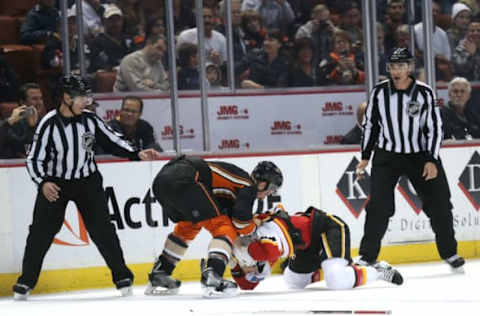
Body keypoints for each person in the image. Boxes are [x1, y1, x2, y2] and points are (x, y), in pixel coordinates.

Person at [12, 75, 162, 300]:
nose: (87, 101)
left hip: (87, 181)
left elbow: (113, 139)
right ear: (66, 98)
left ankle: (122, 276)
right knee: (40, 234)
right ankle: (26, 281)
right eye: (82, 97)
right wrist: (43, 182)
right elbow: (34, 159)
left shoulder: (90, 120)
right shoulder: (49, 123)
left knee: (103, 230)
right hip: (56, 184)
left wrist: (135, 153)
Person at [355, 48, 465, 271]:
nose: (396, 71)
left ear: (409, 68)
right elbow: (371, 125)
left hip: (420, 155)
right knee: (379, 206)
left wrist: (431, 159)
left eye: (401, 66)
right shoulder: (378, 93)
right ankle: (367, 256)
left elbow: (435, 128)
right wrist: (365, 156)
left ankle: (450, 253)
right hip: (387, 156)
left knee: (440, 203)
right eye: (393, 66)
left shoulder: (424, 93)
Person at [146, 157, 282, 297]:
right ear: (262, 183)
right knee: (224, 228)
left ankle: (161, 272)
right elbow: (241, 223)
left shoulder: (237, 184)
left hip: (162, 181)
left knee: (189, 225)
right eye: (271, 188)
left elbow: (230, 214)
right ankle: (213, 275)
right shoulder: (248, 186)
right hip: (186, 178)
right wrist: (255, 225)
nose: (269, 194)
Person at [230, 205, 403, 291]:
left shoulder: (264, 229)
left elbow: (271, 251)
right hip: (306, 247)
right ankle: (345, 267)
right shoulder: (253, 247)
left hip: (326, 227)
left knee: (336, 281)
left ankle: (376, 270)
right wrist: (234, 265)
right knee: (293, 281)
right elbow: (249, 285)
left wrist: (245, 254)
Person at [88, 4, 135, 73]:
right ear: (104, 21)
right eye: (111, 20)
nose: (115, 23)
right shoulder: (97, 43)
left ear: (122, 21)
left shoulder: (129, 40)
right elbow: (102, 64)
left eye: (118, 20)